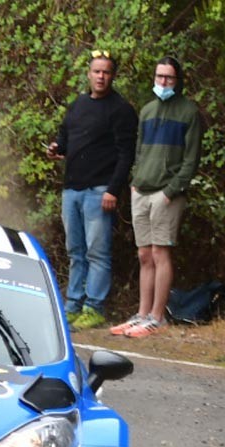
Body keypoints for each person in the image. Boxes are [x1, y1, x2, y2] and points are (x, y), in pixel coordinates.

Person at [110, 56, 204, 338]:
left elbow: (191, 160)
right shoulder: (148, 110)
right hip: (142, 189)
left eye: (168, 78)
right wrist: (136, 183)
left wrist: (171, 191)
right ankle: (142, 313)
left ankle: (157, 316)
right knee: (143, 254)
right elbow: (140, 150)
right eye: (159, 77)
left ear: (178, 80)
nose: (163, 82)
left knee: (161, 252)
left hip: (166, 193)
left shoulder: (189, 112)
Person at [47, 50, 138, 330]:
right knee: (75, 251)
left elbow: (126, 154)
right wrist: (57, 148)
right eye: (96, 71)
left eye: (106, 72)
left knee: (97, 252)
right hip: (71, 189)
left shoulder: (121, 109)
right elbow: (65, 136)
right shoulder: (78, 105)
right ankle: (73, 306)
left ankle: (94, 307)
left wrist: (113, 189)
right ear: (88, 74)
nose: (101, 76)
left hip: (99, 190)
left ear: (113, 76)